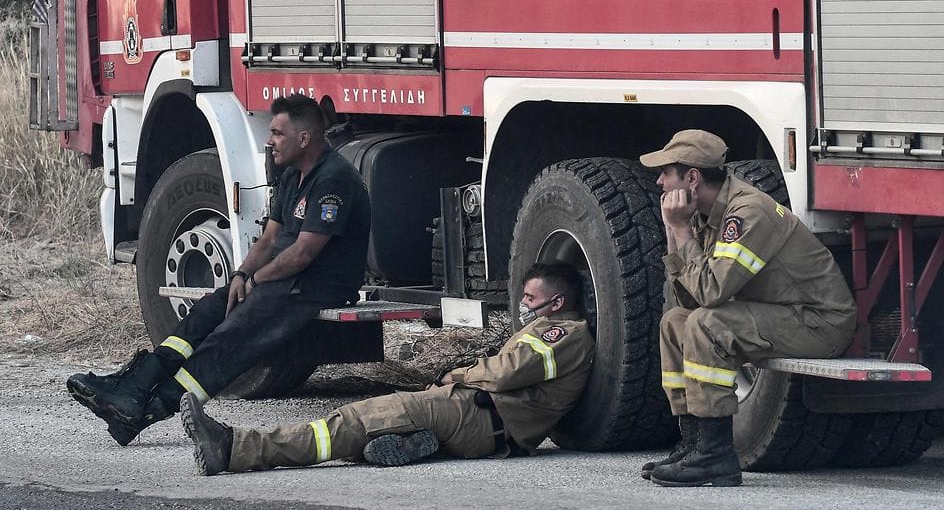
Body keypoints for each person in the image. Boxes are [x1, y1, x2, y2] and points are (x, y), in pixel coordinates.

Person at [67, 93, 372, 446]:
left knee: (230, 336)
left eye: (277, 133)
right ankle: (133, 389)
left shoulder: (333, 179)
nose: (268, 140)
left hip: (317, 284)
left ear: (304, 139)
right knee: (207, 311)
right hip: (285, 279)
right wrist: (240, 276)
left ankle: (148, 411)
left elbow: (304, 254)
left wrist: (257, 280)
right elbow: (268, 240)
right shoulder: (292, 176)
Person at [178, 262, 594, 476]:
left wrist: (457, 375)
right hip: (476, 416)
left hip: (479, 414)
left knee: (355, 419)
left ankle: (235, 448)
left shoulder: (564, 333)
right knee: (370, 424)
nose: (522, 303)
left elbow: (504, 374)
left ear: (556, 303)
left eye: (529, 297)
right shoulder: (551, 328)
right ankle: (412, 442)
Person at [638, 130, 856, 487]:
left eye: (666, 172)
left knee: (707, 324)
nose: (660, 181)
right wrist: (673, 232)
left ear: (692, 178)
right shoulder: (707, 213)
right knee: (676, 323)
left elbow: (709, 294)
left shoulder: (747, 212)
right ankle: (693, 443)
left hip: (819, 322)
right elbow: (688, 302)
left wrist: (681, 230)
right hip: (785, 314)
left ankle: (716, 456)